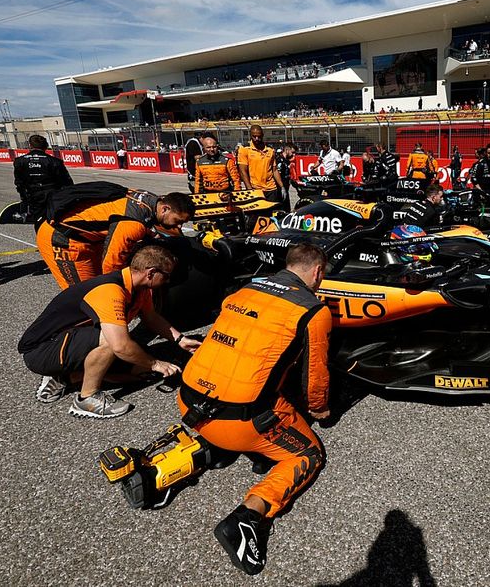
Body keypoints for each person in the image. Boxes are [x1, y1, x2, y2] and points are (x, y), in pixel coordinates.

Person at [177, 244, 332, 574]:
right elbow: (314, 375)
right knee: (307, 455)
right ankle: (249, 516)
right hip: (241, 423)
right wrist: (319, 410)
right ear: (318, 272)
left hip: (189, 402)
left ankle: (182, 460)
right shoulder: (312, 309)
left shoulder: (247, 287)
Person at [18, 245, 200, 417]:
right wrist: (155, 363)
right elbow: (120, 345)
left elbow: (151, 318)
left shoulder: (140, 288)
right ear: (151, 273)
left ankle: (68, 376)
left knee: (140, 373)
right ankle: (86, 399)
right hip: (41, 351)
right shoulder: (110, 290)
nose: (168, 281)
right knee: (113, 341)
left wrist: (180, 340)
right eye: (167, 276)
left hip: (72, 340)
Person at [36, 185, 194, 289]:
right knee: (87, 294)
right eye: (178, 221)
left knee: (98, 285)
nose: (179, 226)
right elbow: (111, 265)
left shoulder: (151, 200)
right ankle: (83, 336)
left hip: (90, 238)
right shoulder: (132, 224)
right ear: (165, 208)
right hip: (62, 239)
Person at [12, 134, 74, 226]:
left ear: (30, 145)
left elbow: (19, 183)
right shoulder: (55, 161)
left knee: (39, 223)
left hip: (33, 197)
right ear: (46, 146)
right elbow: (67, 183)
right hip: (53, 198)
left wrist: (24, 199)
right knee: (56, 221)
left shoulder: (19, 161)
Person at [238, 125, 284, 202]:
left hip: (271, 188)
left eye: (259, 136)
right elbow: (243, 172)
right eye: (254, 136)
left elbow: (274, 170)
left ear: (262, 135)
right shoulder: (244, 149)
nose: (257, 139)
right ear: (250, 135)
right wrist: (249, 190)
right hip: (255, 189)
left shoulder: (270, 150)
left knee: (272, 213)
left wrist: (282, 186)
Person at [275, 143, 298, 211]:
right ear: (287, 150)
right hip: (280, 188)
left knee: (287, 208)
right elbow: (277, 174)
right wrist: (281, 187)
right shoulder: (279, 160)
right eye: (293, 152)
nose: (294, 155)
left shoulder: (287, 160)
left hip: (286, 186)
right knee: (281, 208)